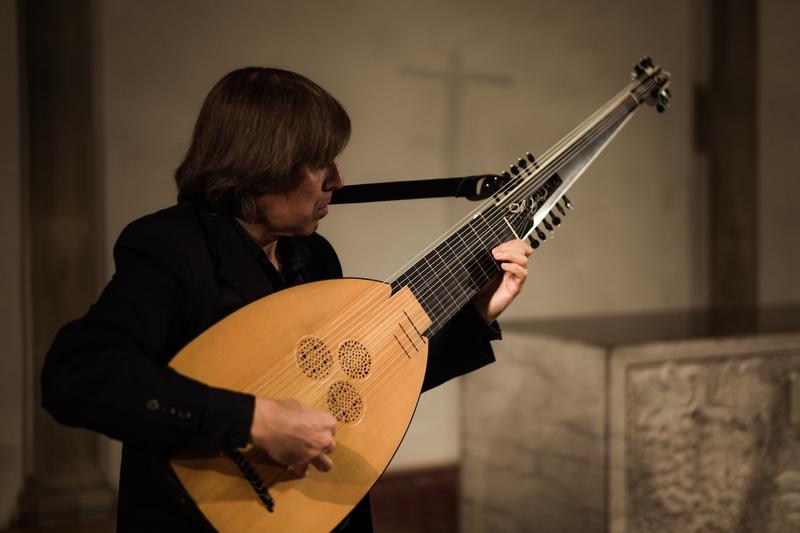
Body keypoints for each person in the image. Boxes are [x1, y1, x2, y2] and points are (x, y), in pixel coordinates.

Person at [41, 67, 532, 532]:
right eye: (321, 163)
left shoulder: (312, 256)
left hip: (316, 512)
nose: (336, 180)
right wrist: (252, 420)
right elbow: (78, 375)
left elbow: (361, 381)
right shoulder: (172, 248)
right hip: (203, 516)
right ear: (263, 166)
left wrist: (475, 313)